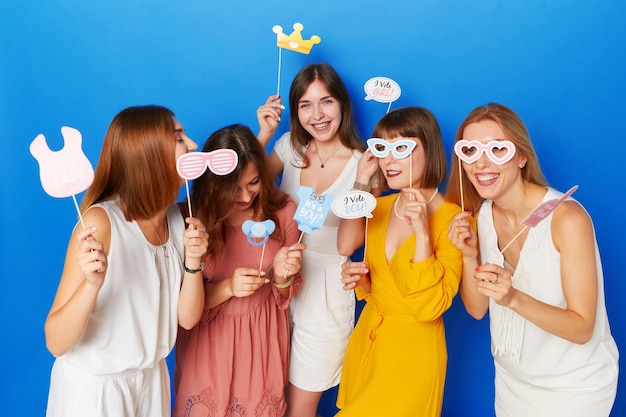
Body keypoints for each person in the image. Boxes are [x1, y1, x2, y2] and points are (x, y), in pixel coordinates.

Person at [446, 103, 619, 417]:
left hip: (574, 386)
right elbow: (476, 309)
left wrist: (512, 298)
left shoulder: (567, 218)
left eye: (497, 149)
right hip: (513, 381)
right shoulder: (482, 216)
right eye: (470, 150)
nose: (481, 163)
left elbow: (582, 329)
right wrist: (469, 256)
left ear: (522, 156)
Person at [44, 105, 209, 417]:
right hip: (96, 393)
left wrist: (194, 260)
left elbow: (187, 319)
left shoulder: (177, 218)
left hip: (151, 382)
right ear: (149, 154)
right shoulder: (101, 222)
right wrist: (92, 285)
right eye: (179, 138)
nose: (193, 145)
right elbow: (55, 340)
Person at [335, 107, 463, 416]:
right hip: (369, 340)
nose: (389, 160)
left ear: (428, 149)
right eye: (381, 148)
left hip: (412, 355)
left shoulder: (453, 221)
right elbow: (345, 245)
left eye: (401, 148)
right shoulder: (381, 206)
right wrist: (361, 181)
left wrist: (422, 232)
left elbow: (429, 306)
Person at [256, 63, 368, 417]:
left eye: (326, 102)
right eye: (305, 105)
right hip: (277, 281)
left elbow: (348, 245)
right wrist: (262, 136)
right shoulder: (289, 145)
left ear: (342, 106)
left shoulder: (363, 163)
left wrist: (364, 182)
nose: (317, 115)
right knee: (268, 395)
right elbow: (245, 188)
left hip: (325, 291)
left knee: (300, 408)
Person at [173, 124, 306, 417]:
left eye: (254, 182)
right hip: (207, 347)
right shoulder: (190, 219)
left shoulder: (283, 211)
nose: (245, 195)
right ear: (212, 181)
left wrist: (283, 276)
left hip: (262, 343)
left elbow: (286, 293)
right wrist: (228, 287)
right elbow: (176, 303)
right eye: (234, 186)